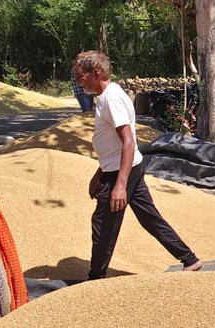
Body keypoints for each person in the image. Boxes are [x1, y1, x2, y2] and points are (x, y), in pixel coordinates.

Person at [73, 50, 204, 280]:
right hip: (120, 167)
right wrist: (98, 173)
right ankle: (190, 259)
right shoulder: (108, 96)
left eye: (81, 77)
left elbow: (128, 142)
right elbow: (113, 145)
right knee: (149, 218)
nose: (79, 82)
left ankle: (96, 279)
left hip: (121, 172)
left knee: (103, 224)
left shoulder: (111, 99)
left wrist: (120, 185)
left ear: (96, 73)